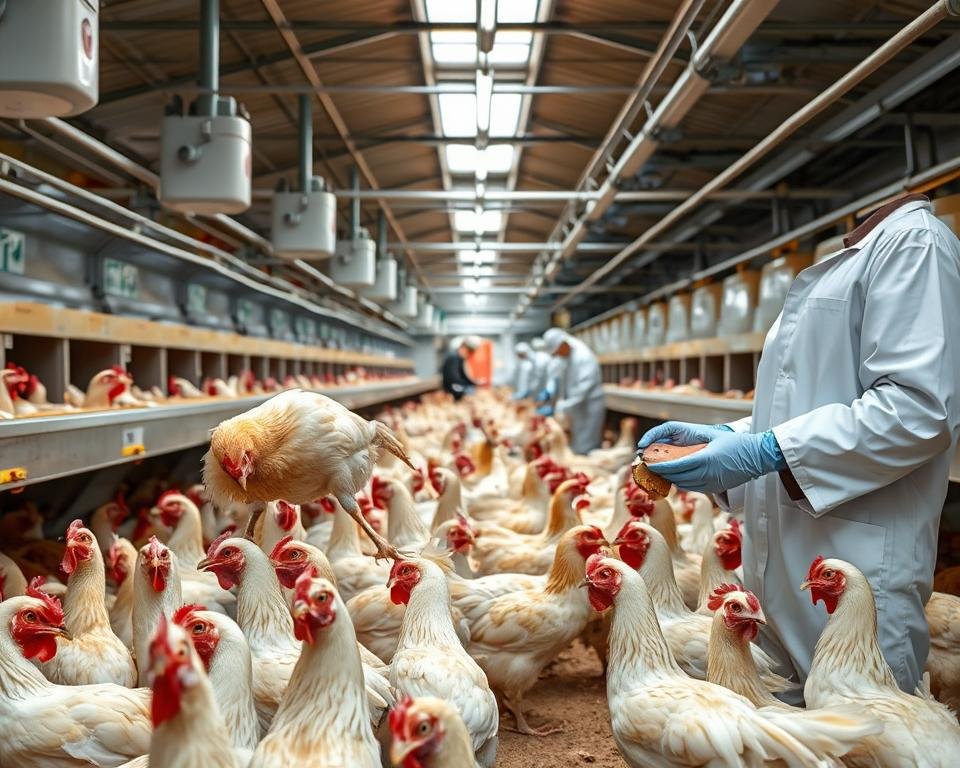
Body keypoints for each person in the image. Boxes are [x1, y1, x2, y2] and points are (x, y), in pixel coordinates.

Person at [636, 194, 960, 695]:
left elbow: (918, 411)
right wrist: (734, 439)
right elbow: (794, 413)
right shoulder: (851, 259)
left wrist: (764, 451)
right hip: (786, 571)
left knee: (864, 735)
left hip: (856, 564)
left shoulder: (914, 244)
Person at [540, 327, 605, 455]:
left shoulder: (583, 356)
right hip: (576, 406)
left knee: (586, 443)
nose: (557, 355)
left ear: (563, 343)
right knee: (576, 444)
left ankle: (589, 471)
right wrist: (550, 391)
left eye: (557, 351)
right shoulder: (566, 356)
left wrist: (563, 406)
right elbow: (556, 374)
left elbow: (584, 388)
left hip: (588, 406)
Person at [441, 336, 480, 401]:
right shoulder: (454, 358)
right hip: (452, 387)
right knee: (469, 390)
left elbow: (464, 375)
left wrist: (474, 383)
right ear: (463, 348)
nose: (469, 354)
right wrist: (466, 384)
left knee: (471, 389)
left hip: (457, 385)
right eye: (469, 351)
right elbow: (453, 378)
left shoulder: (460, 359)